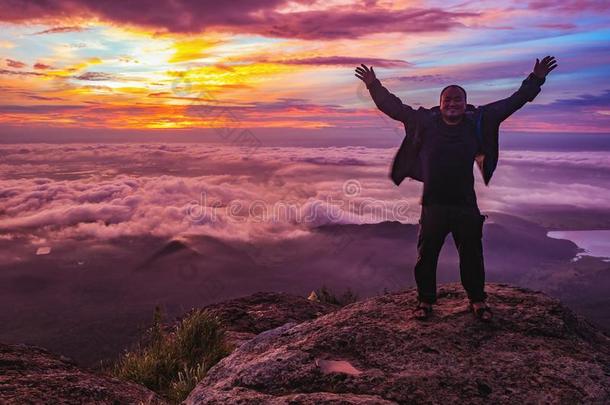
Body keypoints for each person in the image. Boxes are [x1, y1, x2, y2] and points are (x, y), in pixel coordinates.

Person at [355, 56, 557, 322]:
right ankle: (425, 302)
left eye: (457, 99)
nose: (452, 103)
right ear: (439, 104)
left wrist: (536, 79)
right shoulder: (425, 121)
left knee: (472, 256)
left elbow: (513, 102)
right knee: (426, 257)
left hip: (465, 205)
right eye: (447, 100)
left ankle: (477, 300)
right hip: (433, 205)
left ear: (465, 103)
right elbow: (395, 108)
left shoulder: (479, 121)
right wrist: (373, 85)